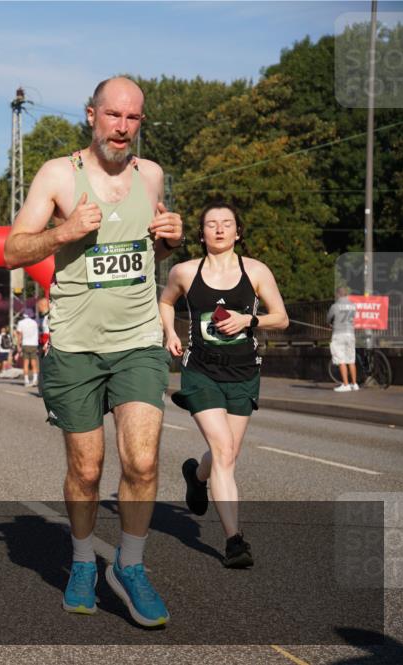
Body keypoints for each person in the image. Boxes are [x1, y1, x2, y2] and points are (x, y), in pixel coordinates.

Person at [4, 76, 184, 627]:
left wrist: (171, 236)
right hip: (77, 346)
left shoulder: (150, 175)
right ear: (91, 115)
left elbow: (154, 240)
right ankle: (84, 559)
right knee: (86, 470)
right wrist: (61, 235)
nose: (122, 128)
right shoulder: (60, 175)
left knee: (144, 459)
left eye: (133, 119)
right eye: (113, 116)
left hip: (137, 341)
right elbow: (12, 249)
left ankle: (129, 566)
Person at [159, 202, 288, 568]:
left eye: (226, 224)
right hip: (200, 370)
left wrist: (249, 320)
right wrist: (169, 332)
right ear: (201, 234)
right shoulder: (185, 272)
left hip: (244, 372)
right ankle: (235, 541)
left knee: (227, 453)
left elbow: (281, 318)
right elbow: (165, 302)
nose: (219, 229)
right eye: (211, 224)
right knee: (223, 450)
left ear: (237, 232)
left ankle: (196, 476)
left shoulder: (256, 271)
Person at [327, 286, 358, 392]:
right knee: (351, 360)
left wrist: (331, 324)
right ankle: (354, 384)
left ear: (338, 294)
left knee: (341, 360)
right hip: (350, 333)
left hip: (339, 334)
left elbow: (328, 319)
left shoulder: (335, 306)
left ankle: (346, 384)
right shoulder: (353, 306)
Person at [16, 310, 40, 388]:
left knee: (26, 363)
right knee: (34, 363)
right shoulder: (35, 322)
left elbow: (19, 335)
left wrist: (18, 346)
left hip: (25, 344)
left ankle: (26, 381)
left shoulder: (21, 323)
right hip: (34, 344)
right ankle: (34, 380)